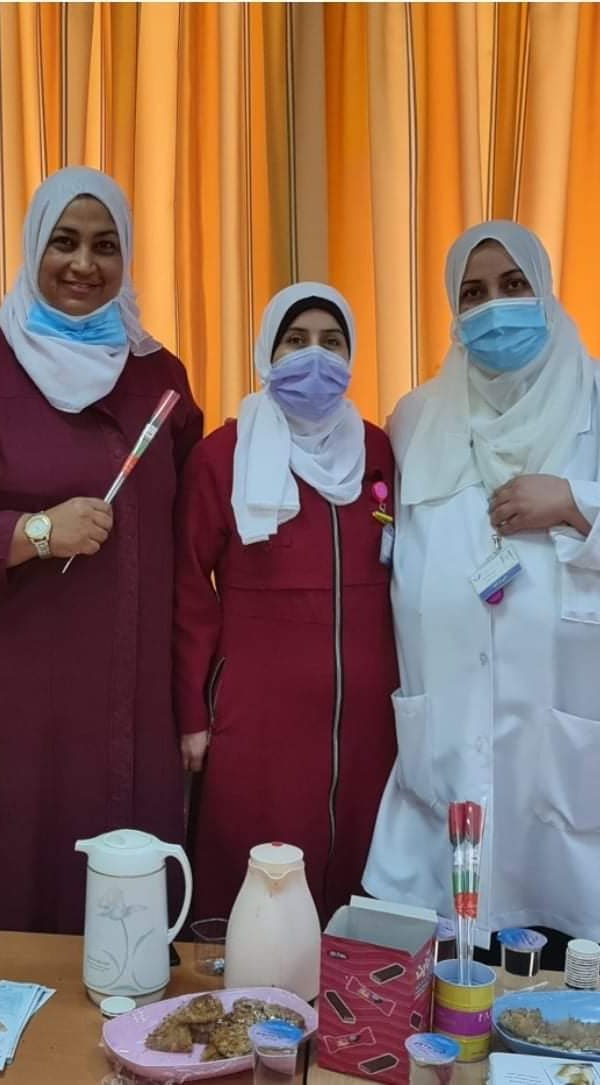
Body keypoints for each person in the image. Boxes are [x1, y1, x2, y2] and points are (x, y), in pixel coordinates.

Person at [0, 166, 203, 980]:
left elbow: (188, 534)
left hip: (127, 701)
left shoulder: (159, 377)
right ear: (32, 248)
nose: (83, 264)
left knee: (120, 917)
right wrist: (31, 532)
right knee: (3, 890)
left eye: (104, 245)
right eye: (64, 241)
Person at [363, 220, 600, 978]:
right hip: (455, 753)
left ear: (545, 291)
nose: (495, 308)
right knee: (466, 995)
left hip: (594, 761)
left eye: (513, 285)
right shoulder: (416, 420)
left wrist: (580, 502)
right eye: (473, 293)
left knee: (593, 998)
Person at [173, 283, 398, 924]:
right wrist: (192, 712)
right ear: (267, 353)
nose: (314, 357)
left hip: (369, 717)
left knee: (361, 872)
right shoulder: (223, 455)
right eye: (296, 341)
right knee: (254, 876)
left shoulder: (378, 450)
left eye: (332, 342)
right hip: (255, 714)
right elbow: (188, 587)